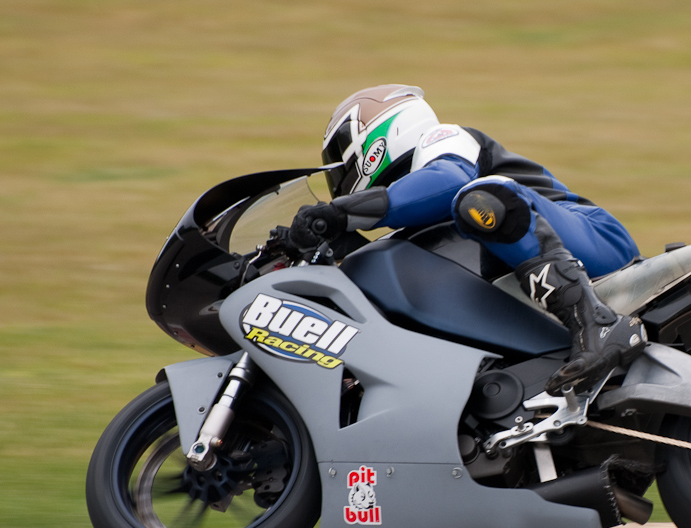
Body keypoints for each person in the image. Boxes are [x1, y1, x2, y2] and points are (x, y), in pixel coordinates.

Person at [277, 84, 647, 394]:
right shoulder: (413, 211)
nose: (339, 182)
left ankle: (595, 322)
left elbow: (447, 183)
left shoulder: (444, 140)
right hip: (542, 265)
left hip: (597, 238)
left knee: (481, 199)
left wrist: (339, 212)